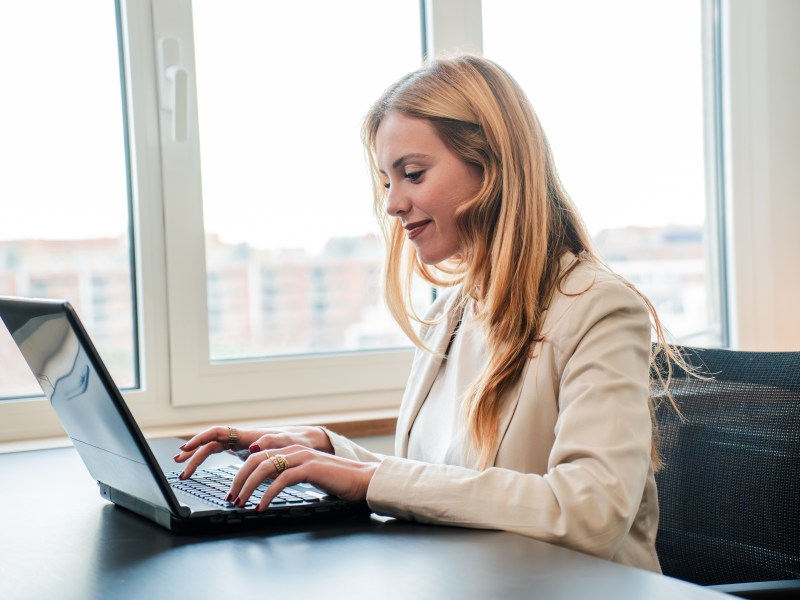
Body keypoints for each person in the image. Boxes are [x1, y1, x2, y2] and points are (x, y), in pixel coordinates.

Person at [174, 55, 679, 572]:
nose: (393, 203)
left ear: (493, 166)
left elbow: (589, 513)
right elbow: (437, 482)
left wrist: (368, 479)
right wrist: (329, 453)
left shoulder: (598, 308)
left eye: (411, 174)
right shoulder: (455, 311)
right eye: (388, 182)